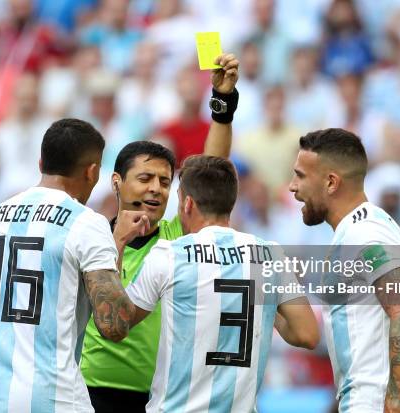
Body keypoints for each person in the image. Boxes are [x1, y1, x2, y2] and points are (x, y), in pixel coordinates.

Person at [80, 53, 240, 412]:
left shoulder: (177, 236)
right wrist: (116, 241)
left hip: (157, 395)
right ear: (117, 183)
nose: (156, 188)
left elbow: (212, 171)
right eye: (145, 179)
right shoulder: (89, 234)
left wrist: (222, 105)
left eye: (165, 182)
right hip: (90, 389)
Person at [0, 118, 148, 413]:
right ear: (92, 172)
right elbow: (114, 325)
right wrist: (119, 245)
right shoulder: (86, 222)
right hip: (51, 396)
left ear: (41, 163)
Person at [126, 155, 320, 412]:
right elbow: (307, 334)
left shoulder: (169, 254)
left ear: (187, 204)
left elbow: (118, 323)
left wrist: (116, 244)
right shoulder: (270, 255)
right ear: (231, 202)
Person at [288, 128, 400, 412]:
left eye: (301, 175)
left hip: (372, 401)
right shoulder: (378, 225)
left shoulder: (364, 234)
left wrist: (394, 406)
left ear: (331, 182)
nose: (293, 186)